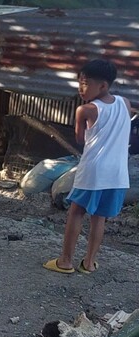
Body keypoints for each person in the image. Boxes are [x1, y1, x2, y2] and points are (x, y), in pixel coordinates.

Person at [44, 59, 131, 274]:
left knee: (76, 212)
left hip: (93, 170)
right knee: (99, 217)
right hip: (117, 172)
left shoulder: (85, 110)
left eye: (86, 83)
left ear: (102, 85)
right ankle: (89, 263)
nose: (81, 88)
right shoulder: (125, 103)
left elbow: (80, 140)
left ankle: (65, 261)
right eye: (80, 83)